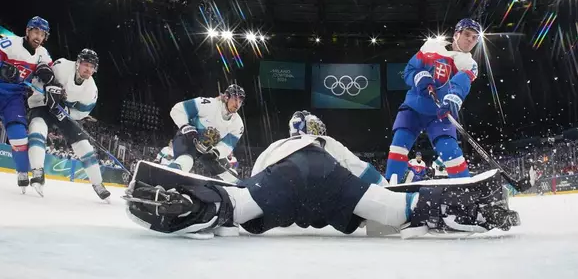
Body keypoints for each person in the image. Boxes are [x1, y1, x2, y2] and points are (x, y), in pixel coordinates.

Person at [124, 111, 519, 239]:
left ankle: (188, 205)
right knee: (398, 208)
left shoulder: (274, 147)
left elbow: (252, 182)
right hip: (331, 183)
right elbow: (374, 178)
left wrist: (237, 201)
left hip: (281, 183)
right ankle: (468, 207)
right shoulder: (328, 143)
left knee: (236, 206)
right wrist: (382, 208)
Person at [385, 18, 481, 182]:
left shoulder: (469, 64)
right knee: (399, 144)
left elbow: (461, 84)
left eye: (475, 37)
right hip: (414, 107)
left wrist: (452, 98)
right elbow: (410, 70)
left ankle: (464, 186)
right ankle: (390, 183)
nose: (470, 40)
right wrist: (420, 77)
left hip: (440, 113)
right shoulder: (431, 47)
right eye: (467, 34)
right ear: (456, 34)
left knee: (450, 151)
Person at [26, 49, 110, 200]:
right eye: (85, 64)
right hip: (43, 105)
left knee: (84, 145)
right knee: (37, 127)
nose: (88, 69)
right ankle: (37, 171)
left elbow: (82, 113)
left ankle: (98, 184)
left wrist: (66, 112)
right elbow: (39, 79)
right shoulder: (62, 66)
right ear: (78, 63)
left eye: (92, 67)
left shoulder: (91, 90)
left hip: (64, 113)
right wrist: (47, 91)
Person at [0, 17, 58, 191]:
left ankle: (22, 172)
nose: (38, 37)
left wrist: (51, 82)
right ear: (27, 31)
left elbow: (49, 74)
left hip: (14, 97)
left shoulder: (43, 54)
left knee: (19, 135)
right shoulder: (8, 43)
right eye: (35, 32)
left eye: (42, 34)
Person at [167, 84, 245, 179]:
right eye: (235, 99)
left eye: (240, 102)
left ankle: (235, 191)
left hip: (207, 149)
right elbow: (178, 109)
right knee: (185, 161)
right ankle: (166, 178)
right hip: (188, 139)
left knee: (229, 176)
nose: (237, 105)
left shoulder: (238, 124)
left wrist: (217, 152)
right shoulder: (208, 104)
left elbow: (227, 145)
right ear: (226, 97)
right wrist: (186, 126)